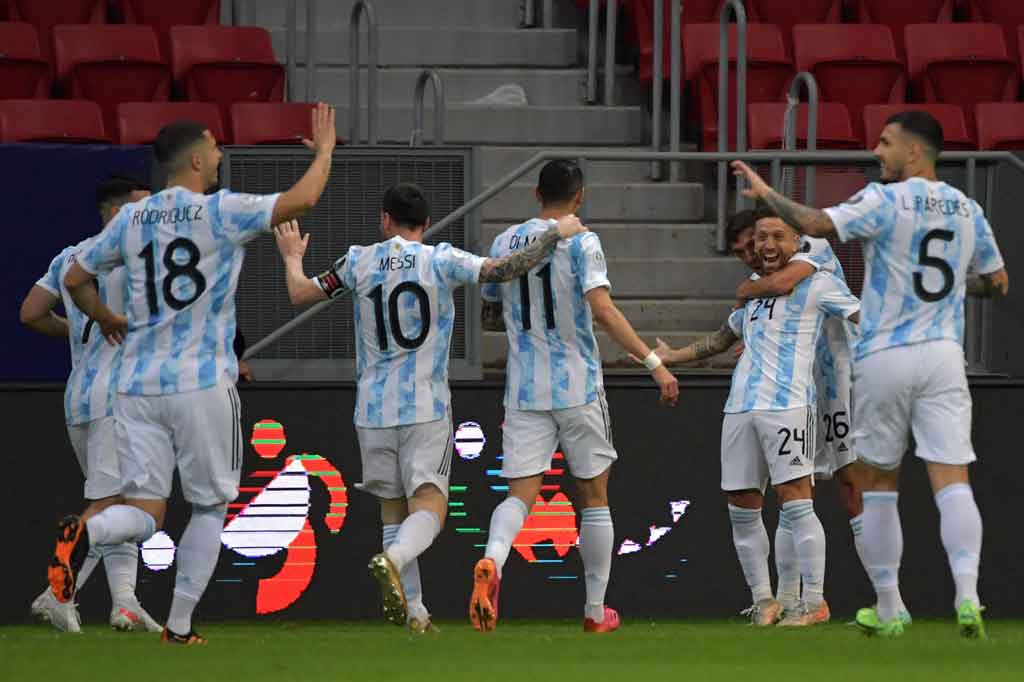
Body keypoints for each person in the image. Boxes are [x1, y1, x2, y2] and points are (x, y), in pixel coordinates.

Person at [50, 102, 338, 645]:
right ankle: (179, 627)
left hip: (136, 386)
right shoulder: (220, 211)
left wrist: (105, 317)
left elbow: (73, 278)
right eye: (215, 144)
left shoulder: (131, 218)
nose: (222, 152)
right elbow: (303, 199)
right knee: (209, 505)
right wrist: (324, 152)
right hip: (202, 381)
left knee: (145, 511)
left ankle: (89, 530)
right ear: (197, 160)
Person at [732, 110, 1009, 638]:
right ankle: (968, 596)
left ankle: (888, 607)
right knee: (952, 478)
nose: (877, 152)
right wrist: (955, 286)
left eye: (885, 143)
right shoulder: (967, 207)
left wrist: (766, 193)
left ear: (914, 151)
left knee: (877, 482)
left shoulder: (883, 200)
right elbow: (997, 283)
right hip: (945, 354)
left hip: (886, 352)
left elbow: (816, 225)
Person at [271, 182, 590, 633]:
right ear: (425, 222)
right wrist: (554, 234)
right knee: (430, 508)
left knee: (392, 509)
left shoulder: (359, 261)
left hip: (373, 408)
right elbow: (503, 270)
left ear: (385, 220)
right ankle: (394, 558)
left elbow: (300, 294)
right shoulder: (442, 259)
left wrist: (291, 257)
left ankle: (416, 614)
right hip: (425, 404)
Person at [469, 160, 679, 634]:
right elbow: (602, 309)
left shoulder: (505, 242)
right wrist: (654, 362)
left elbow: (489, 312)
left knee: (520, 494)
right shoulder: (582, 240)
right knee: (593, 494)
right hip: (577, 385)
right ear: (579, 196)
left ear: (535, 193)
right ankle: (595, 612)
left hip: (525, 387)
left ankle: (493, 560)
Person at [653, 216, 860, 627]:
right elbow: (721, 338)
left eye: (778, 236)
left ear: (797, 241)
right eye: (761, 237)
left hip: (788, 405)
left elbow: (863, 318)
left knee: (796, 500)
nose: (767, 244)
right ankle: (764, 601)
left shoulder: (819, 283)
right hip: (740, 407)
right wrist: (671, 356)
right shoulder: (753, 291)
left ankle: (814, 601)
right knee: (741, 505)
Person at [726, 206, 912, 624]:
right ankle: (791, 599)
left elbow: (782, 283)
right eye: (742, 253)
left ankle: (891, 601)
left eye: (752, 245)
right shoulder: (762, 283)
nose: (751, 257)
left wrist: (746, 290)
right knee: (790, 491)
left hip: (839, 381)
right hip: (795, 387)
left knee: (851, 487)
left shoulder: (812, 248)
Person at [21, 176, 160, 634]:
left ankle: (125, 602)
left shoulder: (69, 256)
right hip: (118, 397)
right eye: (142, 208)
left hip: (79, 394)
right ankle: (57, 592)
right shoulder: (135, 258)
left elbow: (30, 313)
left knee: (123, 501)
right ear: (117, 214)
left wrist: (76, 331)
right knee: (111, 503)